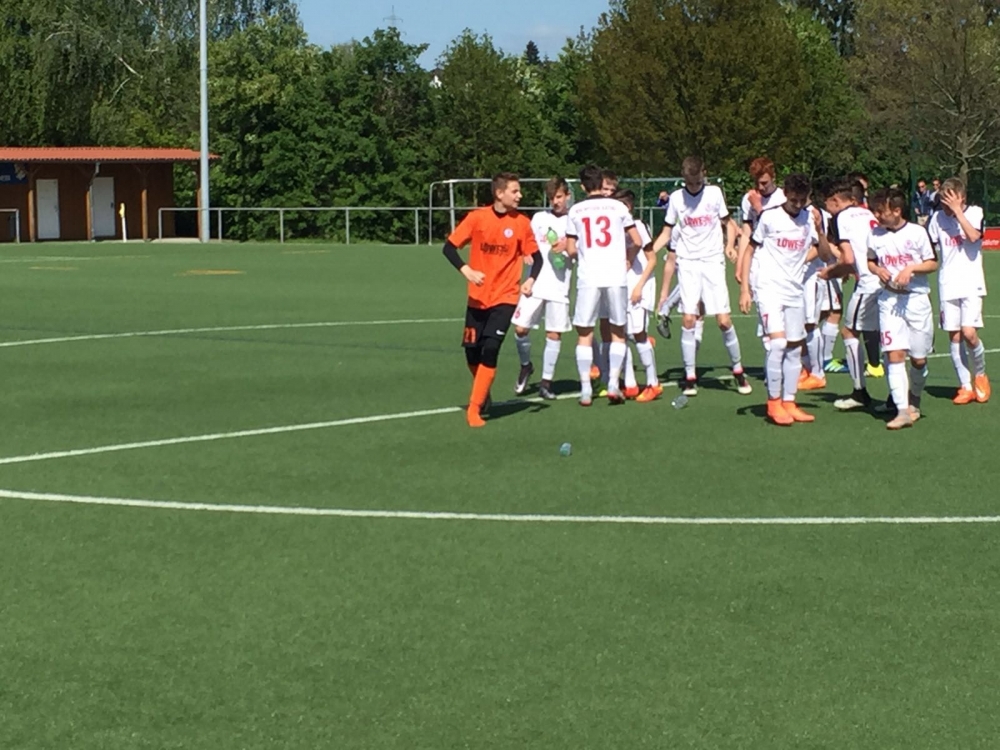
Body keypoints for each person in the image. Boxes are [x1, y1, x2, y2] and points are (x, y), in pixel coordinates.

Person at [442, 173, 542, 427]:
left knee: (490, 348)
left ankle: (474, 409)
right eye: (515, 191)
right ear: (499, 193)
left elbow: (538, 258)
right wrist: (466, 270)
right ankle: (483, 390)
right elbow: (449, 247)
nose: (520, 196)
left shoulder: (522, 223)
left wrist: (530, 280)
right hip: (477, 298)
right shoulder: (477, 218)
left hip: (505, 297)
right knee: (471, 352)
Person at [740, 174, 833, 425]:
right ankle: (773, 402)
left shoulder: (809, 218)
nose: (798, 205)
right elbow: (749, 251)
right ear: (786, 194)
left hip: (795, 290)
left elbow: (825, 255)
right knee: (778, 344)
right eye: (794, 200)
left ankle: (789, 402)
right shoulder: (770, 217)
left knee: (794, 348)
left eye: (802, 200)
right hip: (769, 288)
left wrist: (820, 231)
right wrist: (745, 289)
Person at [653, 156, 750, 396]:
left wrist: (730, 245)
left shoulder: (714, 193)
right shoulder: (677, 198)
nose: (694, 186)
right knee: (689, 319)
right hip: (688, 263)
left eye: (698, 181)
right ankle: (690, 377)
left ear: (703, 174)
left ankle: (738, 370)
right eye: (690, 182)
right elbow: (666, 232)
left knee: (723, 321)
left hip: (712, 261)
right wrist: (649, 251)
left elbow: (728, 223)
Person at [566, 165, 650, 405]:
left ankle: (585, 389)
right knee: (618, 332)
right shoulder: (618, 207)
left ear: (583, 186)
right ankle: (613, 383)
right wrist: (626, 257)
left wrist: (583, 252)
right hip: (615, 275)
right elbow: (636, 240)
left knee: (585, 333)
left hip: (589, 277)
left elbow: (571, 249)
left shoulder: (576, 210)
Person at [866, 187, 938, 429]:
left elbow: (932, 263)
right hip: (889, 300)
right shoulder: (875, 234)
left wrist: (911, 269)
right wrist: (878, 270)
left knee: (918, 359)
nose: (877, 216)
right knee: (894, 354)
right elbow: (870, 260)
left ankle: (914, 399)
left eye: (881, 211)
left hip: (916, 300)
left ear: (896, 211)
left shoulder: (917, 232)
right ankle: (902, 411)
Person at [927, 177, 990, 404]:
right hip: (948, 283)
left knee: (969, 333)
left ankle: (980, 375)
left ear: (961, 198)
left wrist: (957, 212)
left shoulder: (975, 212)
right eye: (943, 201)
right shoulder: (937, 218)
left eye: (949, 200)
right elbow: (930, 249)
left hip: (971, 282)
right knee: (954, 335)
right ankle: (965, 386)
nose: (945, 205)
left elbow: (973, 236)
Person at [819, 179, 880, 411]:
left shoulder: (841, 218)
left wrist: (830, 272)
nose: (827, 210)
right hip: (885, 280)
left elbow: (848, 258)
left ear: (835, 200)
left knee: (849, 331)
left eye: (827, 204)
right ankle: (899, 398)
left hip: (868, 283)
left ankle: (859, 392)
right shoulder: (867, 213)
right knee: (887, 337)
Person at [512, 177, 572, 400]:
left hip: (559, 285)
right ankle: (526, 365)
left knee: (553, 334)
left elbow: (581, 250)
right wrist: (524, 252)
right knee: (520, 329)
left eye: (559, 197)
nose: (555, 201)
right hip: (535, 282)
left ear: (567, 196)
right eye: (551, 198)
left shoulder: (574, 220)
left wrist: (568, 246)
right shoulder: (539, 218)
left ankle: (546, 382)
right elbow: (525, 241)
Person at [736, 157, 787, 354]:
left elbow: (778, 228)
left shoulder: (782, 198)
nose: (760, 187)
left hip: (781, 261)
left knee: (785, 318)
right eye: (757, 182)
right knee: (764, 314)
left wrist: (758, 206)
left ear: (773, 177)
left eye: (764, 182)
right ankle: (772, 361)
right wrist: (740, 264)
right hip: (758, 261)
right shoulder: (748, 199)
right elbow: (747, 232)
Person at [616, 189, 662, 401]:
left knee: (639, 333)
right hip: (622, 287)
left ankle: (653, 383)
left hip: (639, 287)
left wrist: (639, 287)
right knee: (623, 334)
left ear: (629, 207)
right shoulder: (615, 229)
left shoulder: (639, 227)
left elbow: (652, 260)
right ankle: (631, 384)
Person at [588, 169, 621, 390]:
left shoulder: (618, 210)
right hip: (593, 274)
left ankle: (615, 374)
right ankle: (601, 367)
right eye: (605, 188)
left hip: (615, 275)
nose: (608, 192)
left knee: (615, 325)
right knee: (594, 324)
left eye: (612, 189)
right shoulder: (589, 209)